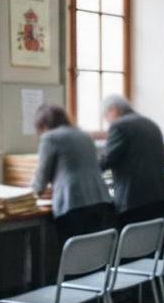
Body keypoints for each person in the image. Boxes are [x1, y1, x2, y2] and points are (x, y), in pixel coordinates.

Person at [30, 103, 113, 250]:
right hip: (100, 199)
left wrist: (27, 197)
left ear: (43, 124)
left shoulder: (49, 138)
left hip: (73, 202)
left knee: (74, 258)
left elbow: (42, 176)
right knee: (95, 255)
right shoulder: (84, 135)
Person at [98, 94, 164, 228]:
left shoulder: (119, 126)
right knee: (154, 243)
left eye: (105, 116)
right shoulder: (150, 123)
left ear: (114, 109)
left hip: (135, 200)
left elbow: (106, 160)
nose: (107, 121)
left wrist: (84, 171)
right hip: (161, 195)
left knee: (132, 246)